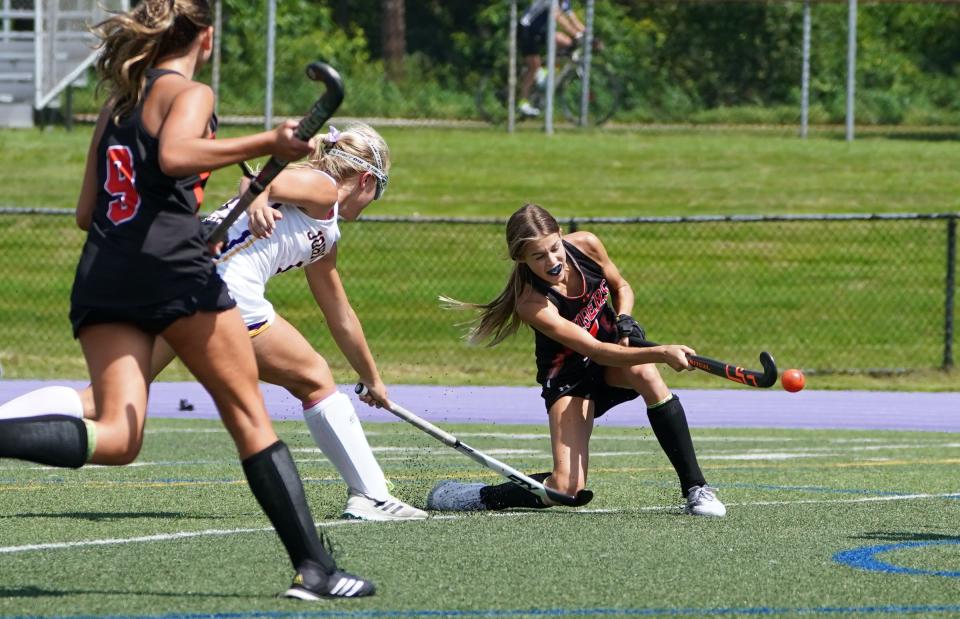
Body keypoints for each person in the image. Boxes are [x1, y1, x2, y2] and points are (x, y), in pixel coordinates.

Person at [0, 0, 373, 600]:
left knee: (119, 437)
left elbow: (85, 214)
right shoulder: (188, 92)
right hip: (175, 273)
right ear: (202, 36)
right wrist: (269, 139)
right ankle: (316, 569)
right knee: (249, 417)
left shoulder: (117, 103)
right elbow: (174, 155)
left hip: (103, 272)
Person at [0, 123, 427, 523]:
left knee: (101, 400)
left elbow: (341, 315)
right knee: (314, 377)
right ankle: (371, 494)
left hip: (178, 277)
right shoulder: (323, 188)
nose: (372, 203)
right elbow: (256, 181)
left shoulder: (325, 235)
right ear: (367, 181)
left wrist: (373, 379)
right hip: (223, 291)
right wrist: (258, 201)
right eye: (378, 192)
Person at [427, 203, 726, 517]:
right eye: (539, 256)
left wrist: (624, 318)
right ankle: (476, 496)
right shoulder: (532, 303)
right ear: (521, 259)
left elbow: (621, 286)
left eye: (555, 248)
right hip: (572, 380)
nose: (553, 261)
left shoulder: (586, 244)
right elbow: (594, 350)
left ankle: (696, 489)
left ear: (561, 236)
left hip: (612, 364)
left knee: (646, 373)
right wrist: (664, 352)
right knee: (565, 489)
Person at [517, 0, 586, 117]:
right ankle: (522, 103)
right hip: (527, 28)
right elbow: (558, 17)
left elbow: (573, 19)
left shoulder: (564, 2)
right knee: (534, 65)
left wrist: (588, 34)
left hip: (541, 30)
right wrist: (576, 34)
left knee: (567, 42)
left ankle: (545, 71)